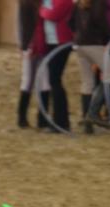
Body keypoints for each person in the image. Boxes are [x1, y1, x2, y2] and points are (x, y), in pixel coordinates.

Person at [73, 0, 110, 132]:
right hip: (95, 44)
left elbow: (71, 23)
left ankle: (87, 123)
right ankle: (93, 113)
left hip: (79, 45)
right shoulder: (98, 2)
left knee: (87, 82)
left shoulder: (78, 3)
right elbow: (100, 21)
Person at [33, 0, 75, 132]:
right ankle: (58, 120)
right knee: (53, 81)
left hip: (61, 42)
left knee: (55, 80)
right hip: (50, 42)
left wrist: (42, 11)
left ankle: (61, 122)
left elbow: (53, 14)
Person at [17, 0, 49, 128]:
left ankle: (40, 117)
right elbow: (23, 26)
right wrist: (25, 45)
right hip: (33, 45)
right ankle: (23, 117)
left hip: (39, 44)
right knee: (29, 81)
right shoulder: (27, 3)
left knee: (41, 81)